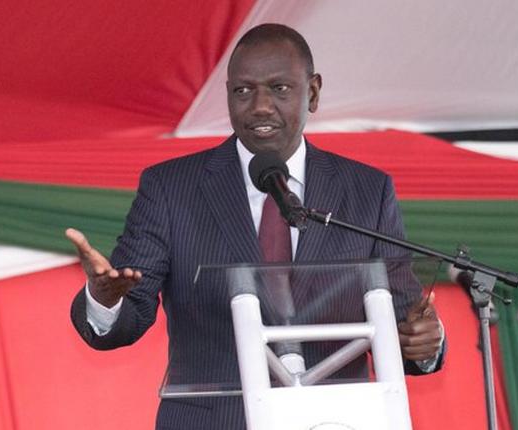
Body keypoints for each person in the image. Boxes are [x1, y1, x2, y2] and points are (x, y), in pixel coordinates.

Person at [68, 23, 444, 429]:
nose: (260, 106)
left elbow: (404, 319)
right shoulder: (171, 188)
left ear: (313, 92)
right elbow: (131, 310)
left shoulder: (366, 190)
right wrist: (105, 300)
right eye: (243, 91)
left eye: (279, 89)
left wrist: (424, 342)